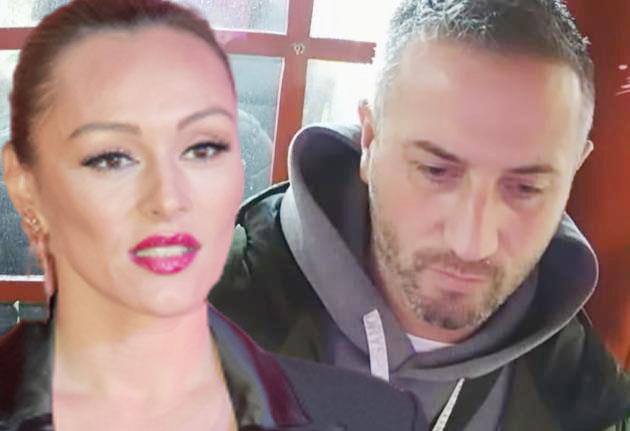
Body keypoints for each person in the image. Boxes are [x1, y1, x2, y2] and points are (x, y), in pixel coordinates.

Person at [0, 1, 426, 430]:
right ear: (25, 185)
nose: (169, 198)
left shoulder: (376, 415)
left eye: (201, 149)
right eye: (111, 158)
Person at [211, 0, 630, 429]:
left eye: (526, 188)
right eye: (435, 171)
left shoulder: (584, 394)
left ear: (575, 169)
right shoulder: (199, 325)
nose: (472, 243)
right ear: (370, 139)